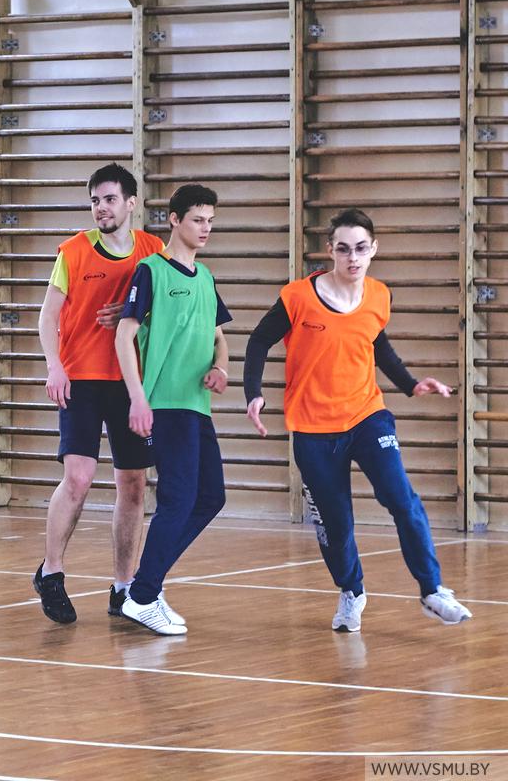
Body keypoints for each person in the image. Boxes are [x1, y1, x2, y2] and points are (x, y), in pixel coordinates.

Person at [244, 207, 472, 632]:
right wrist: (253, 393)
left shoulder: (379, 295)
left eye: (361, 249)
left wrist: (410, 384)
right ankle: (351, 590)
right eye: (344, 249)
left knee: (402, 500)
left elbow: (376, 343)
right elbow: (258, 341)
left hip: (367, 416)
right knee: (336, 524)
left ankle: (432, 590)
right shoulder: (298, 297)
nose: (353, 258)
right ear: (330, 250)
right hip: (313, 428)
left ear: (373, 250)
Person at [32, 163, 163, 624]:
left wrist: (132, 314)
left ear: (130, 203)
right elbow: (47, 317)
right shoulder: (73, 251)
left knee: (133, 483)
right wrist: (54, 366)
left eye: (109, 199)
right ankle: (51, 572)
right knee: (79, 478)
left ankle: (123, 587)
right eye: (94, 200)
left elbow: (161, 313)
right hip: (82, 379)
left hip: (130, 382)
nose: (101, 208)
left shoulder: (153, 251)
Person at [114, 184, 232, 636]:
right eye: (198, 220)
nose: (205, 229)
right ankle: (143, 596)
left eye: (210, 221)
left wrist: (221, 368)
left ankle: (147, 583)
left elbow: (219, 338)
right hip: (165, 405)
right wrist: (137, 398)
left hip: (197, 406)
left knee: (211, 497)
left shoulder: (206, 278)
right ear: (175, 220)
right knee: (179, 501)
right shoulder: (151, 272)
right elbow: (124, 336)